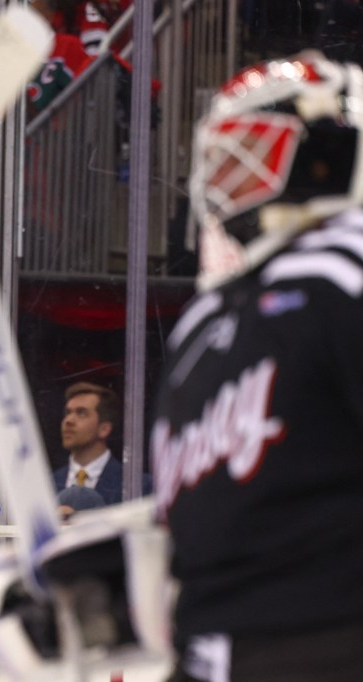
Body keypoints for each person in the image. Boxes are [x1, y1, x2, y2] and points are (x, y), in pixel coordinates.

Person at [154, 51, 363, 681]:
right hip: (210, 654)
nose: (223, 173)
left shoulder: (344, 269)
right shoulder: (201, 321)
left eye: (251, 143)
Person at [52, 381, 138, 506]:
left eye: (81, 413)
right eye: (68, 413)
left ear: (104, 429)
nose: (68, 421)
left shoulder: (136, 486)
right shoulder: (43, 486)